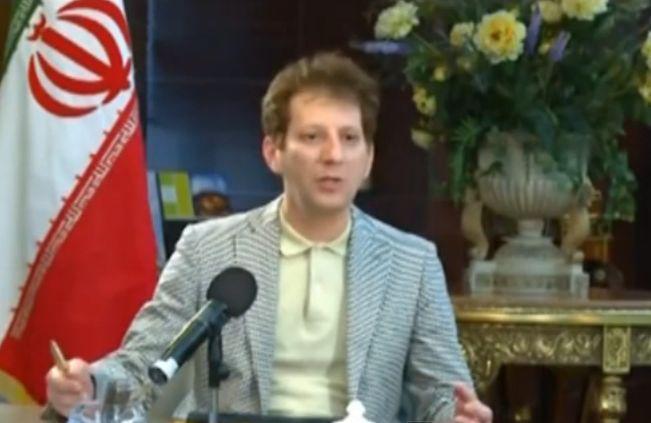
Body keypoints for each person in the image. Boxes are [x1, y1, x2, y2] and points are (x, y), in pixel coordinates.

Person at [45, 51, 492, 423]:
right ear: (273, 151)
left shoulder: (411, 263)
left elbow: (441, 392)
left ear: (369, 157)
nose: (333, 155)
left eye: (349, 138)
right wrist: (89, 385)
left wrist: (457, 417)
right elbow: (143, 366)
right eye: (313, 136)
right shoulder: (207, 249)